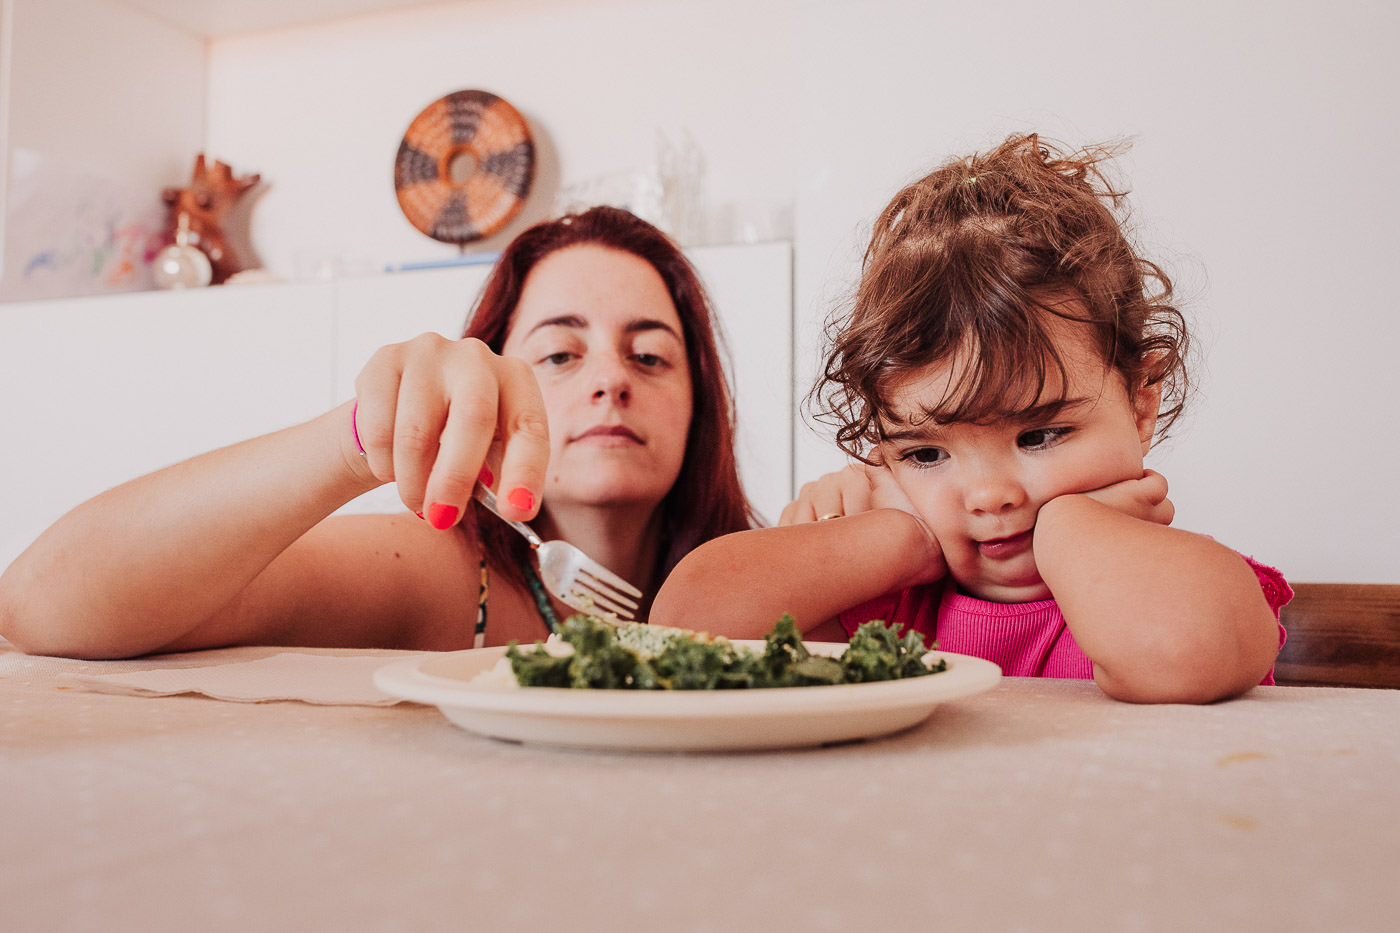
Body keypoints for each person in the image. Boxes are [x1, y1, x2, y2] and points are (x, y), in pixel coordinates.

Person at [650, 134, 1289, 704]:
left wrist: (1069, 525)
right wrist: (898, 538)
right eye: (926, 455)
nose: (988, 496)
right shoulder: (884, 604)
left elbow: (1183, 653)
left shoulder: (1185, 582)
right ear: (882, 452)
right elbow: (680, 626)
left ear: (1141, 404)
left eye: (1039, 435)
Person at [0, 206, 756, 658]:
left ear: (701, 404)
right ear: (496, 388)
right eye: (559, 353)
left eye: (650, 355)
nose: (610, 379)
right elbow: (39, 606)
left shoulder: (767, 578)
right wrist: (354, 440)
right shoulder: (441, 570)